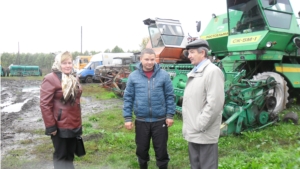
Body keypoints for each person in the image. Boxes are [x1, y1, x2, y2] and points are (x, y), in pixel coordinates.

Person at [123, 48, 175, 169]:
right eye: (146, 59)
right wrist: (127, 118)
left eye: (152, 59)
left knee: (161, 150)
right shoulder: (133, 76)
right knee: (141, 149)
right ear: (141, 59)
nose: (149, 62)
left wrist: (170, 115)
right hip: (141, 120)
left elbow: (169, 96)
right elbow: (128, 98)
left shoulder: (163, 75)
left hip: (160, 120)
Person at [182, 39, 225, 169]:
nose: (188, 56)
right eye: (188, 52)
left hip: (203, 131)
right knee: (196, 165)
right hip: (194, 131)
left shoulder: (212, 72)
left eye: (191, 52)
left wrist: (201, 124)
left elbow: (215, 104)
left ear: (202, 53)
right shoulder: (196, 72)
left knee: (207, 166)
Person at [40, 51, 82, 169]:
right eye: (64, 63)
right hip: (59, 125)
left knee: (70, 155)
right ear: (58, 64)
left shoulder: (74, 77)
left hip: (74, 123)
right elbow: (45, 104)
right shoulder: (50, 79)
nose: (68, 65)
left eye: (70, 63)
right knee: (61, 156)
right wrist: (51, 126)